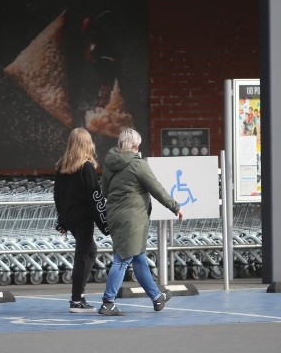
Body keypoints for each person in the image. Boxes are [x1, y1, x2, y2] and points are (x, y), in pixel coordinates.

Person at [98, 128, 184, 316]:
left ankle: (156, 297)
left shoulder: (110, 162)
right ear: (135, 146)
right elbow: (156, 189)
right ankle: (107, 302)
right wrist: (175, 207)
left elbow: (105, 191)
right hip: (133, 219)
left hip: (115, 215)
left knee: (138, 258)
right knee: (122, 259)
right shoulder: (138, 165)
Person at [54, 128, 109, 313]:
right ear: (86, 144)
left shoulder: (62, 166)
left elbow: (57, 196)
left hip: (70, 218)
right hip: (84, 218)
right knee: (83, 255)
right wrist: (105, 224)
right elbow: (95, 196)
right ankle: (76, 300)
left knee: (90, 250)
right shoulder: (86, 167)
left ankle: (80, 296)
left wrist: (62, 221)